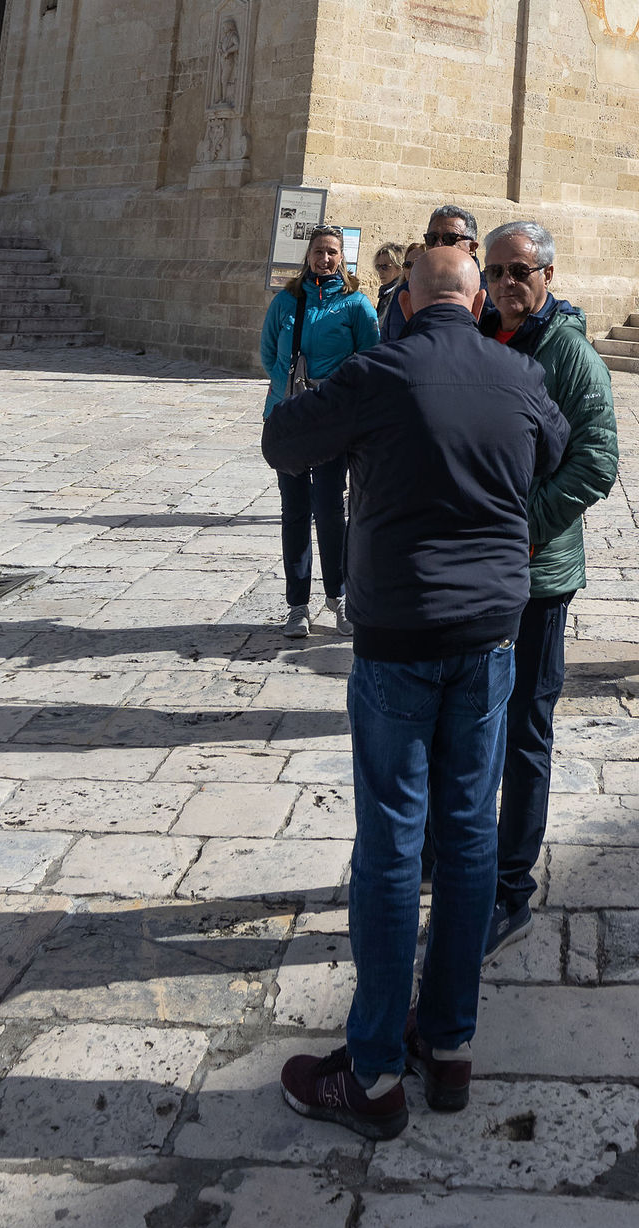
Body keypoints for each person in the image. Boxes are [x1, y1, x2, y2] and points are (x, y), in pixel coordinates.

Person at [264, 243, 569, 1139]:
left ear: (403, 300)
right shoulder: (515, 371)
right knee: (470, 838)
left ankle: (373, 1072)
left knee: (394, 844)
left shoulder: (381, 368)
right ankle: (450, 1043)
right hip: (487, 641)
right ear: (477, 304)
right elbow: (553, 448)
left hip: (397, 643)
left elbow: (286, 442)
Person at [477, 217, 620, 960]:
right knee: (471, 723)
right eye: (496, 271)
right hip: (474, 574)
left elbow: (598, 460)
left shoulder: (569, 354)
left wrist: (523, 523)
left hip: (534, 573)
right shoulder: (479, 335)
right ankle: (458, 858)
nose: (507, 284)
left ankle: (510, 890)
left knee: (525, 729)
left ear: (548, 277)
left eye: (520, 272)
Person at [258, 226, 378, 636]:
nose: (324, 259)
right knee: (294, 512)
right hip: (289, 416)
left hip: (332, 420)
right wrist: (289, 388)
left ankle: (339, 597)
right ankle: (297, 605)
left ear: (342, 257)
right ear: (307, 256)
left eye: (332, 252)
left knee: (329, 509)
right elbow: (269, 351)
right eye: (318, 251)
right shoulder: (286, 301)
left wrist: (337, 394)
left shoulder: (355, 304)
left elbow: (370, 357)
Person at [378, 204, 489, 341]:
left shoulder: (492, 294)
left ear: (472, 247)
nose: (438, 245)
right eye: (432, 238)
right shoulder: (405, 292)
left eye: (449, 239)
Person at [371, 244, 406, 325]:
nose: (380, 271)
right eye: (378, 267)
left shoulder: (400, 294)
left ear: (400, 268)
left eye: (385, 267)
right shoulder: (386, 292)